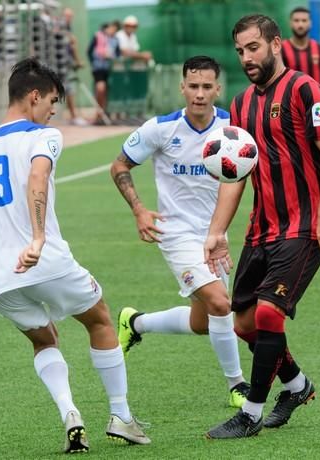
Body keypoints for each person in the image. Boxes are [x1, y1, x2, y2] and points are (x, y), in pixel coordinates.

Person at [0, 57, 150, 452]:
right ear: (34, 96)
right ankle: (121, 416)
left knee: (45, 341)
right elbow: (37, 177)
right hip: (46, 260)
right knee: (101, 320)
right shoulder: (45, 136)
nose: (54, 110)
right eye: (53, 101)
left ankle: (69, 414)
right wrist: (37, 239)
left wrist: (3, 240)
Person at [203, 14, 320, 439]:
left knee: (268, 312)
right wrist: (217, 230)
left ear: (276, 44)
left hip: (303, 226)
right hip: (261, 228)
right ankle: (298, 386)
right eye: (241, 51)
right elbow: (235, 174)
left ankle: (250, 413)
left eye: (254, 48)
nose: (247, 57)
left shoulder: (305, 88)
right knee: (244, 323)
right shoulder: (242, 104)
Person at [110, 55, 250, 409]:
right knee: (221, 304)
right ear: (182, 87)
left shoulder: (233, 131)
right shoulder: (161, 128)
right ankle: (238, 386)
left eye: (207, 87)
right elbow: (119, 165)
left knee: (203, 322)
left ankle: (136, 323)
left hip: (215, 234)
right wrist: (140, 210)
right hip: (176, 235)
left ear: (218, 89)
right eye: (193, 86)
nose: (199, 94)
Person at [281, 6, 320, 102]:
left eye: (304, 20)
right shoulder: (281, 50)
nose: (300, 24)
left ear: (310, 23)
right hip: (289, 105)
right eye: (296, 20)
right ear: (290, 23)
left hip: (317, 105)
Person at [59, 8, 88, 126]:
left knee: (69, 89)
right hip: (58, 65)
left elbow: (72, 48)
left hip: (66, 65)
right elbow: (72, 46)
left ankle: (73, 116)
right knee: (66, 90)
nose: (69, 19)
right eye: (67, 16)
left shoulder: (68, 29)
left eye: (70, 16)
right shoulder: (60, 28)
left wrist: (76, 62)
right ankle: (73, 116)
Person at [87, 22, 120, 125]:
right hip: (98, 68)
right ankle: (98, 113)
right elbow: (89, 51)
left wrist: (111, 56)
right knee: (100, 89)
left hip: (108, 69)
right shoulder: (98, 36)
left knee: (105, 92)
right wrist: (94, 62)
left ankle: (101, 115)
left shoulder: (115, 40)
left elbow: (117, 54)